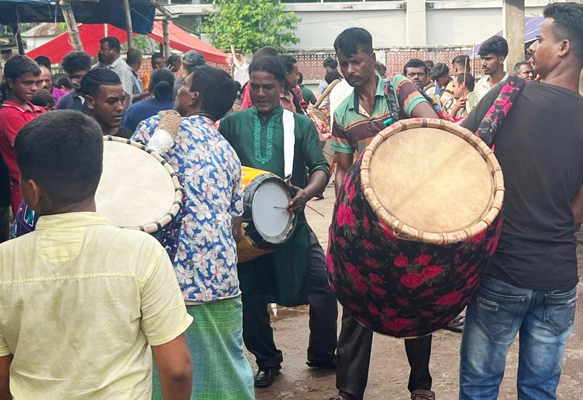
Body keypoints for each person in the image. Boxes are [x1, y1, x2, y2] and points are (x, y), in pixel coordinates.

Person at [459, 3, 583, 399]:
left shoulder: (509, 97)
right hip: (558, 282)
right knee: (540, 390)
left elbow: (455, 151)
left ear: (563, 48)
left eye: (540, 39)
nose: (532, 47)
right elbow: (576, 215)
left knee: (479, 386)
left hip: (503, 273)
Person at [0, 110, 193, 400]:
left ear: (31, 190)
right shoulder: (142, 252)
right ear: (101, 174)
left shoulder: (5, 261)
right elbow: (177, 370)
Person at [132, 66, 255, 400]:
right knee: (225, 369)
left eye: (184, 85)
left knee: (166, 371)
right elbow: (234, 224)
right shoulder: (227, 151)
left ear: (193, 96)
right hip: (221, 282)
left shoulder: (153, 129)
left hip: (166, 278)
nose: (179, 89)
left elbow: (126, 185)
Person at [329, 27, 439, 400]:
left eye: (356, 61)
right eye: (344, 63)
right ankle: (349, 392)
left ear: (372, 57)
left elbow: (433, 128)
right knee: (357, 301)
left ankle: (421, 387)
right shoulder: (342, 111)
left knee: (415, 301)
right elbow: (342, 169)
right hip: (367, 222)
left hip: (410, 215)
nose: (349, 69)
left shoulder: (399, 89)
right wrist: (341, 215)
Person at [218, 55, 338, 389]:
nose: (260, 92)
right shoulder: (232, 124)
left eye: (267, 86)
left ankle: (323, 354)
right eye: (254, 86)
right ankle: (267, 360)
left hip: (291, 222)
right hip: (247, 232)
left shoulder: (299, 124)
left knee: (324, 289)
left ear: (282, 87)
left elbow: (320, 167)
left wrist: (307, 193)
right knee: (251, 296)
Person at [0, 55, 43, 214]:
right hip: (27, 194)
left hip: (45, 189)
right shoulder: (9, 115)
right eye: (27, 83)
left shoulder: (38, 110)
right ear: (11, 83)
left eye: (37, 83)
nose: (34, 88)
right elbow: (30, 151)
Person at [81, 69, 132, 138]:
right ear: (90, 102)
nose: (120, 107)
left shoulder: (132, 141)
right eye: (112, 101)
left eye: (122, 100)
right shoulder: (74, 140)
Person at [123, 68, 175, 132]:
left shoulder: (134, 109)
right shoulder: (181, 110)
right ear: (173, 86)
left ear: (150, 86)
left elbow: (125, 136)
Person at [470, 36, 509, 108]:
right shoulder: (480, 85)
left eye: (488, 59)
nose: (483, 64)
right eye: (482, 59)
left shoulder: (512, 84)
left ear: (501, 59)